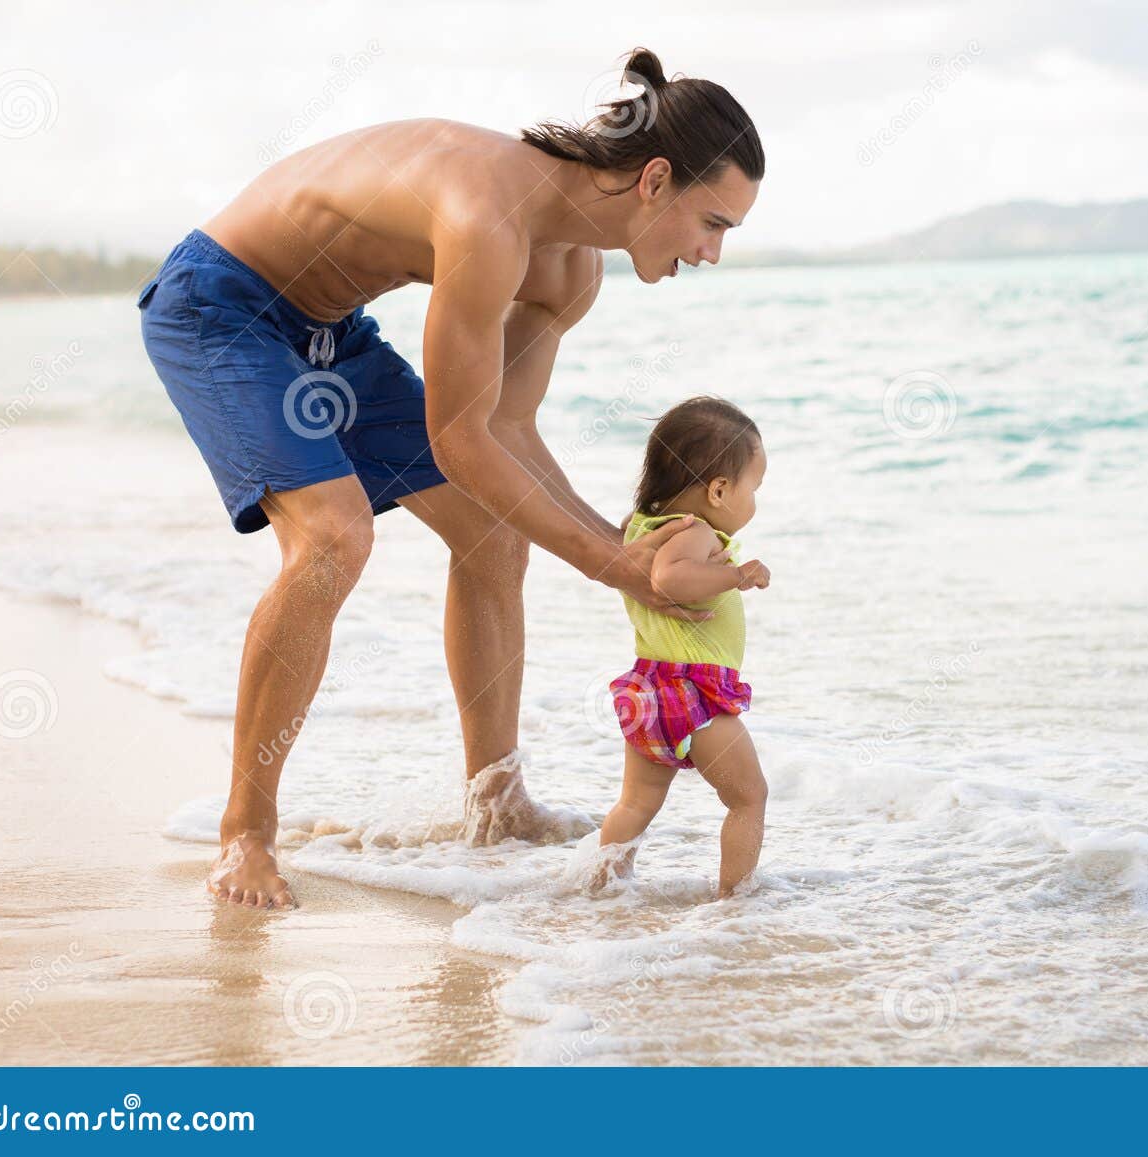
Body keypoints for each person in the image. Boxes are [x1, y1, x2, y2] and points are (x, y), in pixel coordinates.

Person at [136, 47, 764, 909]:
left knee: (494, 531)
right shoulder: (488, 214)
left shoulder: (569, 270)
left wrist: (630, 546)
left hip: (328, 330)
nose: (714, 252)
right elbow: (460, 437)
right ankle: (245, 831)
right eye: (715, 222)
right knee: (333, 534)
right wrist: (608, 564)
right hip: (221, 306)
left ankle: (495, 801)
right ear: (655, 180)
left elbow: (507, 429)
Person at [593, 397, 770, 898]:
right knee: (748, 798)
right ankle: (736, 902)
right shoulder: (695, 533)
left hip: (650, 694)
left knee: (635, 806)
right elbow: (669, 578)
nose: (756, 500)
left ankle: (598, 889)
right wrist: (736, 574)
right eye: (754, 487)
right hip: (692, 695)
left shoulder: (640, 526)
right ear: (718, 489)